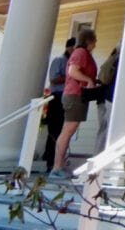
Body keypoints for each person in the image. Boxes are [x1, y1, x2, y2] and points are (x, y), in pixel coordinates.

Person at [50, 29, 98, 178]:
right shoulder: (80, 53)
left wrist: (94, 81)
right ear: (89, 40)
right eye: (94, 41)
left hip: (78, 96)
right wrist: (88, 80)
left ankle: (60, 166)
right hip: (74, 95)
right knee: (67, 130)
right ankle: (57, 167)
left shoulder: (83, 53)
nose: (95, 44)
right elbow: (73, 71)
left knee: (69, 130)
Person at [43, 37, 75, 172]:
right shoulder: (60, 61)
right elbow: (54, 79)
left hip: (67, 97)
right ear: (70, 47)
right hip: (57, 98)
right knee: (55, 130)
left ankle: (59, 161)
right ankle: (50, 161)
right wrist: (72, 76)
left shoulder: (71, 62)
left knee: (64, 129)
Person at [94, 44, 120, 150]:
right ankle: (101, 157)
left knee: (104, 129)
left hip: (105, 97)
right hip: (112, 98)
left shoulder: (113, 57)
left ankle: (97, 156)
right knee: (109, 129)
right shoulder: (122, 59)